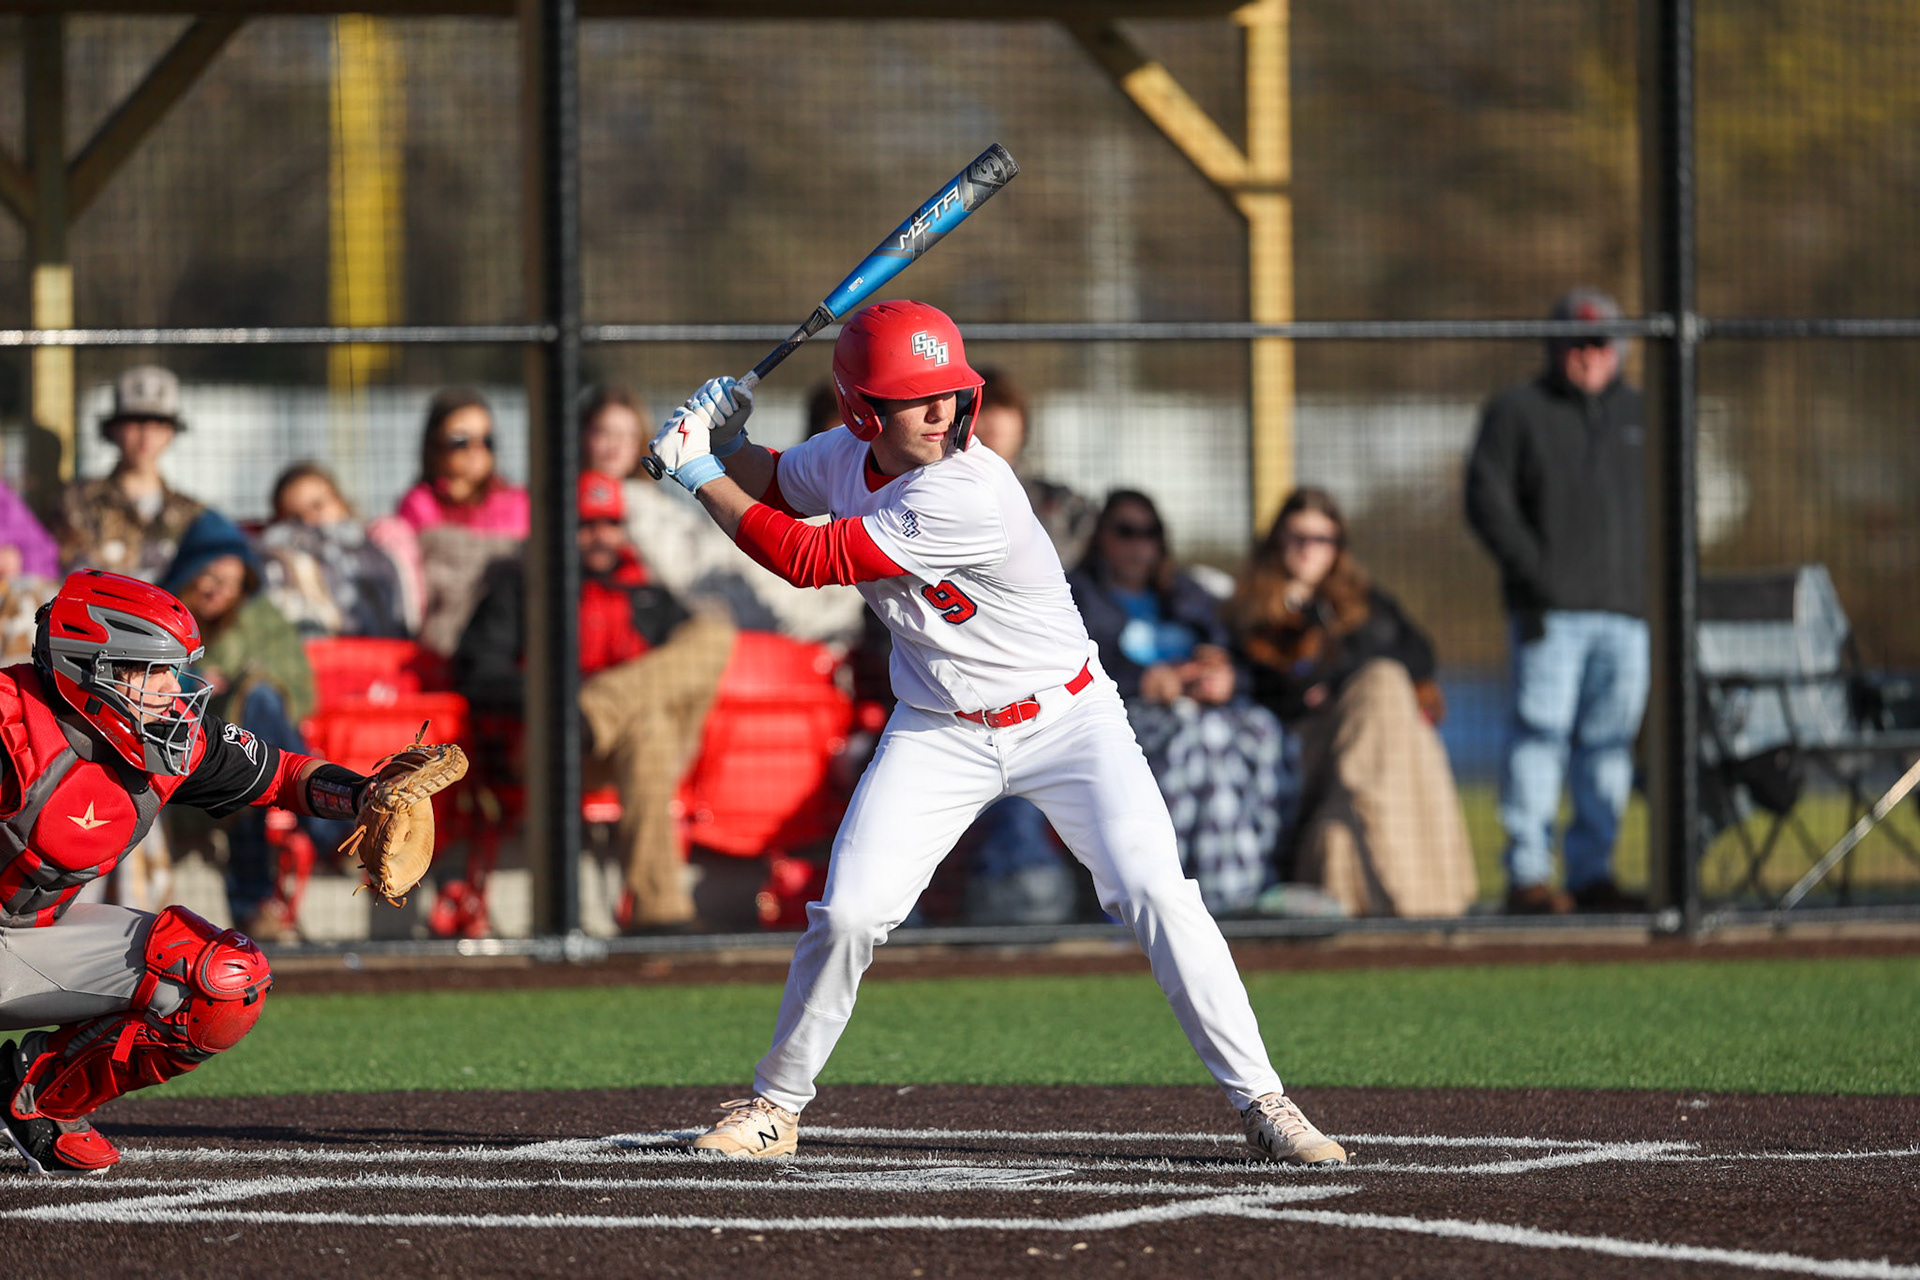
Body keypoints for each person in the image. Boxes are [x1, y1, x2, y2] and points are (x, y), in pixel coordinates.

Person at [647, 299, 1345, 1167]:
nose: (945, 411)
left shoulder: (966, 487)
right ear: (864, 412)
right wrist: (729, 442)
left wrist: (695, 470)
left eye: (950, 390)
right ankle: (774, 1107)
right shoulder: (844, 454)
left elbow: (807, 558)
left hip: (1067, 718)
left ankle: (1265, 1101)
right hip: (939, 727)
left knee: (1156, 892)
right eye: (918, 397)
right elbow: (781, 479)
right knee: (851, 913)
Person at [0, 570, 412, 1175]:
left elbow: (282, 775)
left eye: (176, 668)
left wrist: (364, 795)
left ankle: (36, 1097)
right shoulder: (10, 727)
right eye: (153, 671)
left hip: (28, 933)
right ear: (90, 669)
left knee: (222, 979)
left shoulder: (172, 741)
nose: (174, 689)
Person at [453, 471, 729, 932]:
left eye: (609, 524)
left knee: (713, 633)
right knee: (650, 728)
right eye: (586, 525)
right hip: (545, 746)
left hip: (605, 738)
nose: (600, 537)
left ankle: (593, 713)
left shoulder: (645, 591)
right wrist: (559, 698)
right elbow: (478, 678)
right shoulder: (522, 588)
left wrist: (592, 705)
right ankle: (659, 913)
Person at [1465, 288, 1648, 914]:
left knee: (1610, 745)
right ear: (1554, 346)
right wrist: (1537, 573)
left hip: (1628, 615)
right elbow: (1485, 500)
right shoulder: (1518, 409)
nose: (1588, 356)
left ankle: (1594, 873)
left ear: (1620, 349)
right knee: (1538, 738)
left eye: (1600, 343)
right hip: (1550, 614)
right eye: (1575, 343)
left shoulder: (1644, 414)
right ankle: (1528, 877)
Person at [1231, 488, 1477, 919]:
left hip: (1363, 743)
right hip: (1299, 748)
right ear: (1277, 541)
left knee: (1388, 695)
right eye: (1297, 537)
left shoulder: (1362, 600)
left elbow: (1418, 654)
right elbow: (1266, 687)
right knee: (1382, 693)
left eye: (1322, 539)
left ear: (1338, 546)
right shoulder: (1249, 607)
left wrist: (1336, 676)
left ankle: (1419, 897)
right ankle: (1418, 906)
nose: (1309, 550)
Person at [1069, 490, 1287, 917]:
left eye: (1149, 533)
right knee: (1197, 735)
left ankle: (1251, 878)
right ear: (1103, 539)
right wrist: (1143, 681)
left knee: (1258, 730)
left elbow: (1237, 659)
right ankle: (1192, 890)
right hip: (1126, 714)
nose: (1138, 544)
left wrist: (1225, 678)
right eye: (1126, 532)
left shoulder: (1188, 594)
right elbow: (1069, 664)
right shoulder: (1079, 593)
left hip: (1208, 711)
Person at [591, 383, 865, 652]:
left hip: (764, 633)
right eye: (604, 432)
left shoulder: (883, 501)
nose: (613, 446)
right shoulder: (616, 501)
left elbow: (805, 559)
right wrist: (729, 445)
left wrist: (701, 472)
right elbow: (771, 481)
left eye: (625, 435)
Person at [158, 511, 322, 939]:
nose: (217, 589)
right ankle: (330, 817)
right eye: (209, 574)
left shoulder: (262, 619)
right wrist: (199, 686)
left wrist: (242, 686)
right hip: (183, 760)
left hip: (252, 752)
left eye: (231, 581)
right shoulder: (158, 618)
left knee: (260, 704)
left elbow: (300, 691)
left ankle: (254, 905)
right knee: (246, 764)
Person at [396, 390, 528, 656]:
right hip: (447, 638)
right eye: (460, 441)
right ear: (434, 446)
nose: (475, 451)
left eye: (486, 441)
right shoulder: (418, 504)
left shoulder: (516, 501)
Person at [54, 365, 203, 582]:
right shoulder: (77, 502)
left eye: (158, 423)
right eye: (135, 421)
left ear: (171, 432)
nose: (146, 435)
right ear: (114, 429)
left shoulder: (191, 515)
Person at [258, 462, 418, 638]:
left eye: (317, 506)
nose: (310, 520)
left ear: (341, 502)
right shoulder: (276, 557)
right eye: (296, 517)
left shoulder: (381, 548)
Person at [972, 368, 1098, 569]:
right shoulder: (948, 490)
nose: (994, 418)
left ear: (1022, 422)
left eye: (1003, 406)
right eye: (985, 408)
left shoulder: (1058, 500)